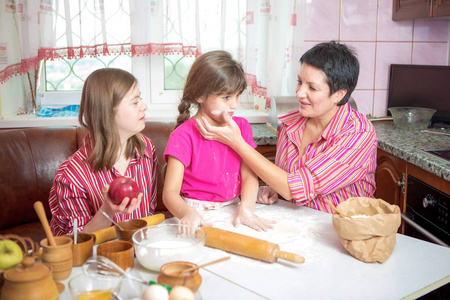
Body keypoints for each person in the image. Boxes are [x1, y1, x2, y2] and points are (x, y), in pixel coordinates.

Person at [196, 41, 378, 213]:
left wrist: (238, 143)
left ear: (339, 94)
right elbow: (285, 181)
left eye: (312, 88)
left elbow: (293, 188)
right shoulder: (291, 123)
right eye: (299, 82)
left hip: (341, 232)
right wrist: (274, 186)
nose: (299, 93)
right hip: (296, 224)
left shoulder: (358, 135)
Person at [163, 50, 274, 231]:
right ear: (200, 96)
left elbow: (248, 176)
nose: (234, 104)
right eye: (226, 97)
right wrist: (187, 213)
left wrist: (246, 208)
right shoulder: (183, 135)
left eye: (238, 95)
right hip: (196, 212)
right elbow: (169, 193)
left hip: (235, 208)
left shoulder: (242, 128)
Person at [49, 68, 158, 236]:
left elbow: (149, 210)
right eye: (135, 102)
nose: (144, 106)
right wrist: (108, 210)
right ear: (108, 110)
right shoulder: (71, 175)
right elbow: (75, 242)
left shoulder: (146, 148)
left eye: (140, 99)